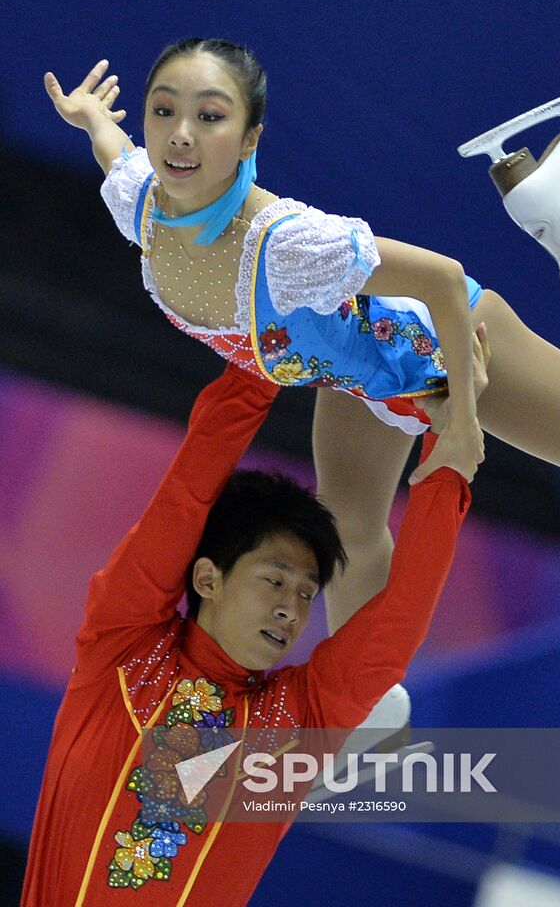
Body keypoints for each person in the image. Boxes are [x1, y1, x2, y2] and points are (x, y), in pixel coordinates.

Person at [44, 38, 560, 735]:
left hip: (438, 343)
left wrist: (459, 418)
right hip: (353, 373)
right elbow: (114, 152)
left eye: (209, 117)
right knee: (346, 526)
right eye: (164, 111)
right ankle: (371, 709)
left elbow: (441, 280)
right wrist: (93, 117)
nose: (180, 135)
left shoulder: (287, 242)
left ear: (250, 138)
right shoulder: (139, 201)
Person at [21, 325, 489, 906]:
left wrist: (449, 466)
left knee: (379, 689)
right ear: (208, 578)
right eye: (275, 581)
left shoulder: (298, 718)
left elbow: (394, 625)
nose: (291, 609)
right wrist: (261, 359)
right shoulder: (122, 648)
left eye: (306, 595)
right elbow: (186, 495)